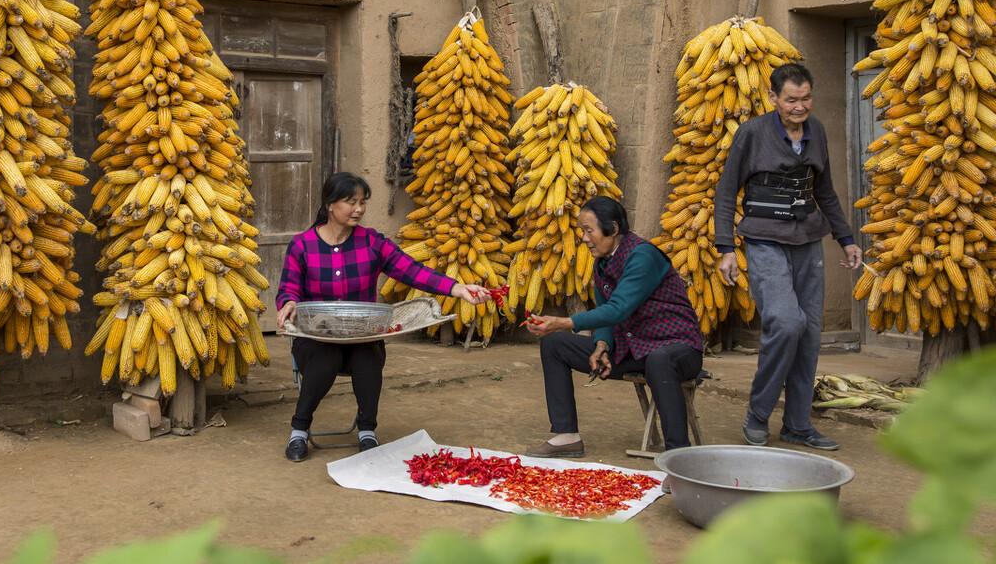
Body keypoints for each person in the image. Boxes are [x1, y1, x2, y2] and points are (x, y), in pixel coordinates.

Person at [276, 172, 490, 462]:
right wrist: (288, 303)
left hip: (362, 336)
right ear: (330, 205)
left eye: (363, 202)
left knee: (368, 357)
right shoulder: (302, 245)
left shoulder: (372, 243)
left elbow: (412, 270)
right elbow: (289, 288)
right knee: (325, 359)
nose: (359, 209)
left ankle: (367, 430)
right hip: (317, 337)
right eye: (351, 202)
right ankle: (299, 430)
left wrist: (457, 288)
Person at [714, 63, 862, 452]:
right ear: (774, 98)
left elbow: (825, 190)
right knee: (786, 322)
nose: (800, 106)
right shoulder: (752, 134)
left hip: (808, 241)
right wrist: (725, 247)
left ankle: (798, 424)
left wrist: (845, 238)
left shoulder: (817, 133)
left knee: (810, 334)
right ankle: (758, 414)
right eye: (792, 99)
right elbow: (727, 192)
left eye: (806, 98)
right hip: (764, 240)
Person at [523, 197, 705, 457]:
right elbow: (605, 311)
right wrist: (602, 344)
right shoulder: (602, 263)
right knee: (555, 344)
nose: (584, 238)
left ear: (614, 229)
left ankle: (679, 456)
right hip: (634, 348)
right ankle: (566, 435)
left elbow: (619, 308)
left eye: (589, 230)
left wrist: (563, 322)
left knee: (659, 359)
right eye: (582, 231)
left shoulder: (643, 256)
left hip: (677, 349)